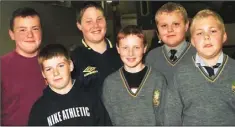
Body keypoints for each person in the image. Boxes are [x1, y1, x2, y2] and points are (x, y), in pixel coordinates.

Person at [164, 9, 235, 125]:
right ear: (192, 41)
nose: (206, 37)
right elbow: (171, 116)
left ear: (224, 36)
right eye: (199, 33)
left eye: (212, 31)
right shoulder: (181, 74)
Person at [28, 44, 112, 126]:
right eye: (49, 69)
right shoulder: (39, 109)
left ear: (71, 66)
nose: (56, 73)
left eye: (60, 66)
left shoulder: (91, 97)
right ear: (43, 74)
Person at [102, 25, 167, 125]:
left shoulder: (157, 79)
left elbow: (164, 117)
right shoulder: (110, 83)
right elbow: (107, 120)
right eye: (125, 48)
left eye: (136, 47)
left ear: (144, 48)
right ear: (118, 49)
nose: (130, 53)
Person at [1, 7, 46, 126]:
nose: (30, 35)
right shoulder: (2, 66)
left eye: (35, 29)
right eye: (22, 30)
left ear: (41, 31)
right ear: (12, 34)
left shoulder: (56, 63)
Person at [71, 1, 122, 97]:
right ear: (79, 25)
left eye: (99, 19)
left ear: (106, 21)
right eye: (89, 21)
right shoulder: (73, 59)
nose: (95, 25)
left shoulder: (122, 52)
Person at [145, 2, 196, 86]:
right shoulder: (152, 57)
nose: (170, 30)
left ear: (186, 26)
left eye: (176, 24)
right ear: (157, 29)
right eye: (164, 26)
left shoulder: (198, 55)